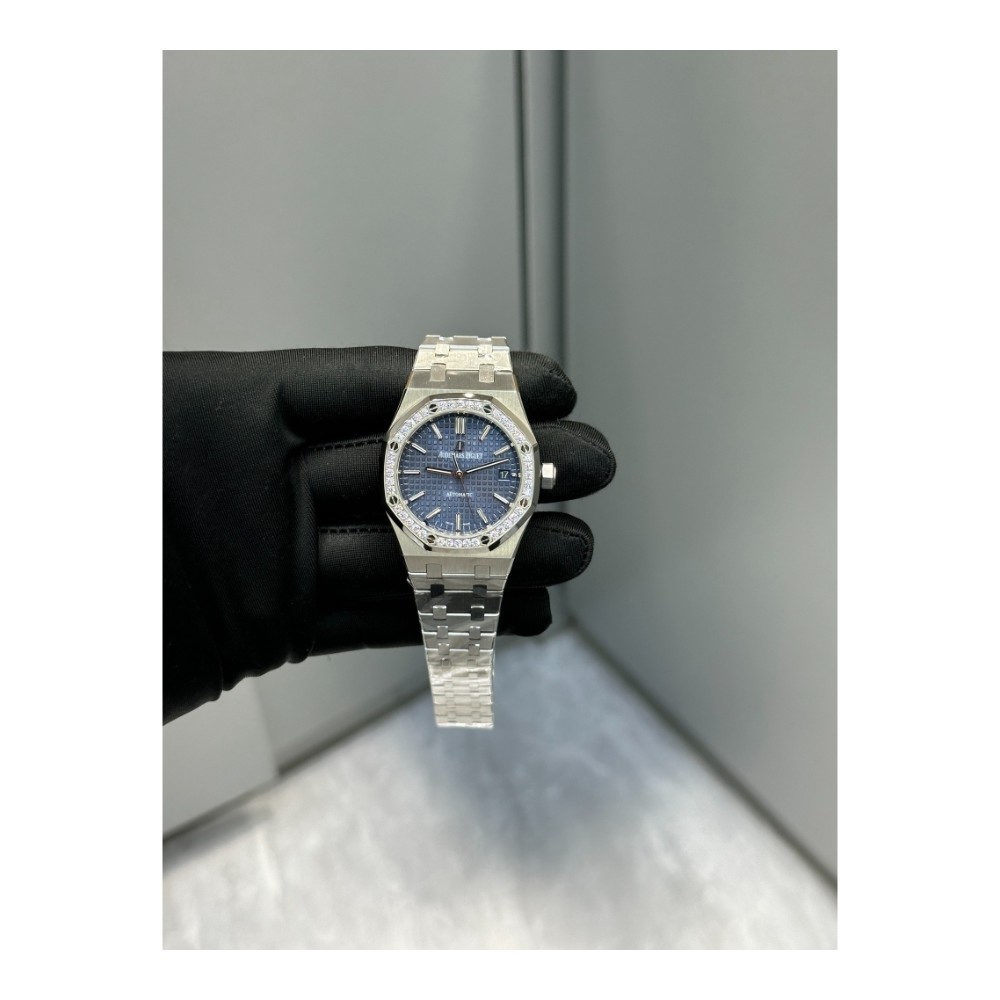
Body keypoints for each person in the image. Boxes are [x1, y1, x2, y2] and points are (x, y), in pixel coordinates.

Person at [163, 346, 616, 723]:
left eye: (466, 472)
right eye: (453, 471)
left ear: (540, 475)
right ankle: (461, 705)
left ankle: (463, 704)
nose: (459, 475)